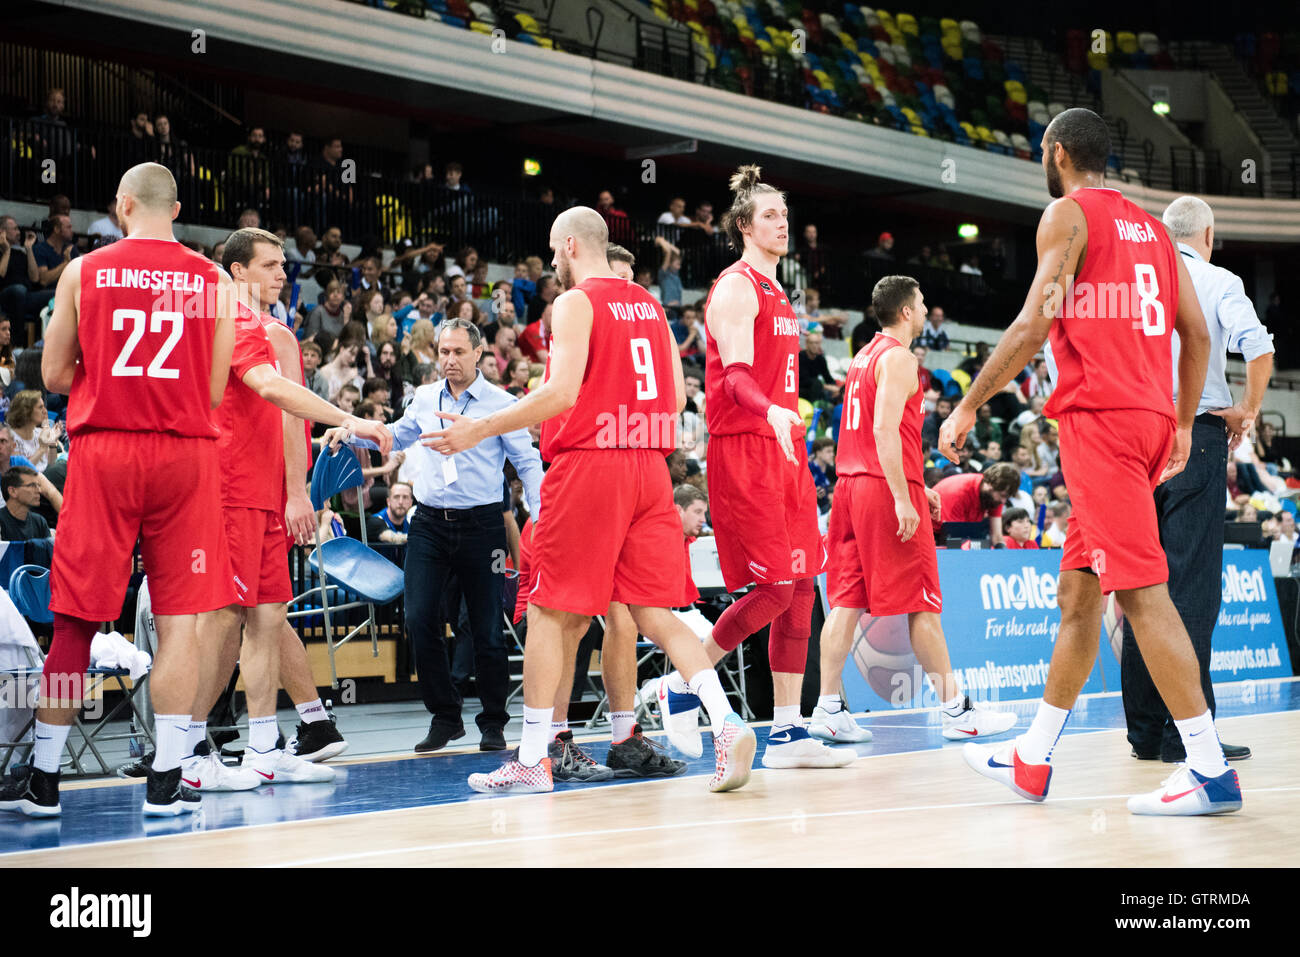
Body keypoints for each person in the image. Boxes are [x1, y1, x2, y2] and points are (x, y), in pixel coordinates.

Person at [942, 108, 1239, 816]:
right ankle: (1033, 758)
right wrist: (1180, 422)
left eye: (1041, 153)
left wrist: (969, 404)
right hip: (1144, 420)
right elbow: (1198, 334)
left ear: (1059, 153)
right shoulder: (1158, 235)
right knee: (1079, 594)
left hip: (1099, 424)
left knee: (1140, 592)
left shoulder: (1068, 218)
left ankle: (1207, 766)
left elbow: (1032, 321)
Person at [428, 206, 756, 793]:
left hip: (590, 468)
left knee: (550, 615)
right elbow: (679, 397)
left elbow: (559, 394)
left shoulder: (575, 303)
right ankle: (726, 721)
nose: (553, 259)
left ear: (573, 244)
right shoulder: (651, 305)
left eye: (555, 249)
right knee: (656, 613)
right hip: (649, 469)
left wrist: (479, 428)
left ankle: (532, 760)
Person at [0, 163, 240, 818]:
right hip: (185, 453)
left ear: (123, 205)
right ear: (179, 208)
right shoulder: (213, 280)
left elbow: (50, 373)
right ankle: (166, 777)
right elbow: (216, 391)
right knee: (181, 621)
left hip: (105, 450)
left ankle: (45, 781)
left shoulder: (85, 271)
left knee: (77, 617)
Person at [178, 228, 391, 792]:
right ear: (237, 270)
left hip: (264, 493)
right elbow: (276, 395)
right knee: (223, 619)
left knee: (269, 617)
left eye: (282, 265)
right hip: (229, 489)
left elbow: (285, 417)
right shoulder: (237, 323)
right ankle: (188, 749)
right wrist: (348, 420)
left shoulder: (268, 327)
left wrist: (293, 490)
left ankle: (265, 747)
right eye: (270, 265)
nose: (281, 274)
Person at [652, 166, 850, 771]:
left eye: (785, 214)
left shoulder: (779, 290)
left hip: (781, 446)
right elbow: (735, 379)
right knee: (772, 588)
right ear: (743, 226)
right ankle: (684, 681)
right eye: (770, 215)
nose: (783, 222)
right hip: (745, 445)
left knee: (800, 592)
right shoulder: (736, 287)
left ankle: (788, 732)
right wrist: (775, 414)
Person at [810, 276, 1015, 745]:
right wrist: (904, 496)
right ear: (906, 312)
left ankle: (827, 708)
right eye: (921, 303)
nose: (925, 309)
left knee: (845, 602)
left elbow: (870, 436)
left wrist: (918, 487)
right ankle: (956, 710)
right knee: (922, 603)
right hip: (882, 491)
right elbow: (884, 430)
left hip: (851, 487)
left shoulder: (865, 356)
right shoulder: (900, 358)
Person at [1118, 195, 1275, 766]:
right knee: (1191, 589)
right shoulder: (1215, 278)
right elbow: (1258, 347)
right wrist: (1248, 410)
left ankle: (1143, 732)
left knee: (1139, 584)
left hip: (1131, 436)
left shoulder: (1135, 278)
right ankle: (1189, 733)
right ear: (1206, 233)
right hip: (1196, 433)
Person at [383, 318, 544, 753]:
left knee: (488, 626)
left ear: (478, 354)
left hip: (483, 525)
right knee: (418, 618)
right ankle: (445, 716)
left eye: (458, 352)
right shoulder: (422, 397)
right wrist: (359, 430)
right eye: (443, 352)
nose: (449, 360)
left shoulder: (502, 403)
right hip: (430, 524)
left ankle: (493, 722)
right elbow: (398, 434)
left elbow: (527, 463)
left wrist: (542, 511)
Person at [932, 464, 1020, 546]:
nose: (1004, 501)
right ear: (990, 486)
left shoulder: (996, 496)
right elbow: (953, 540)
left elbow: (997, 537)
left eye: (1007, 497)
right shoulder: (959, 493)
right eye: (1003, 496)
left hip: (962, 532)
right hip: (934, 534)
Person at [0, 466, 52, 541]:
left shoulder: (39, 522)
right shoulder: (1, 522)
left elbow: (48, 551)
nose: (39, 491)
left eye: (38, 486)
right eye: (32, 485)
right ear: (12, 491)